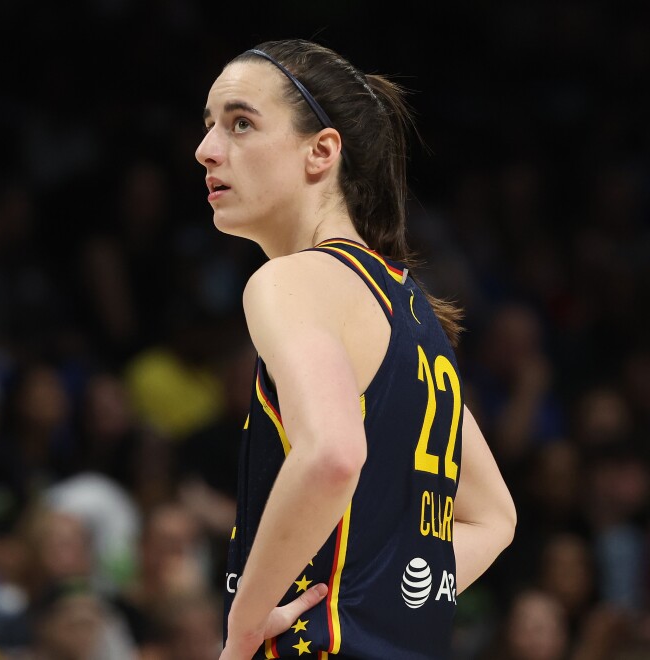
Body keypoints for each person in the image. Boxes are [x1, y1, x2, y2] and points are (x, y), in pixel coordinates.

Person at [195, 39, 517, 659]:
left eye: (240, 123)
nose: (207, 149)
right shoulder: (412, 311)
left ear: (321, 151)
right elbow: (493, 518)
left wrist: (244, 626)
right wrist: (374, 602)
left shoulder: (289, 281)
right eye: (209, 125)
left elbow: (333, 455)